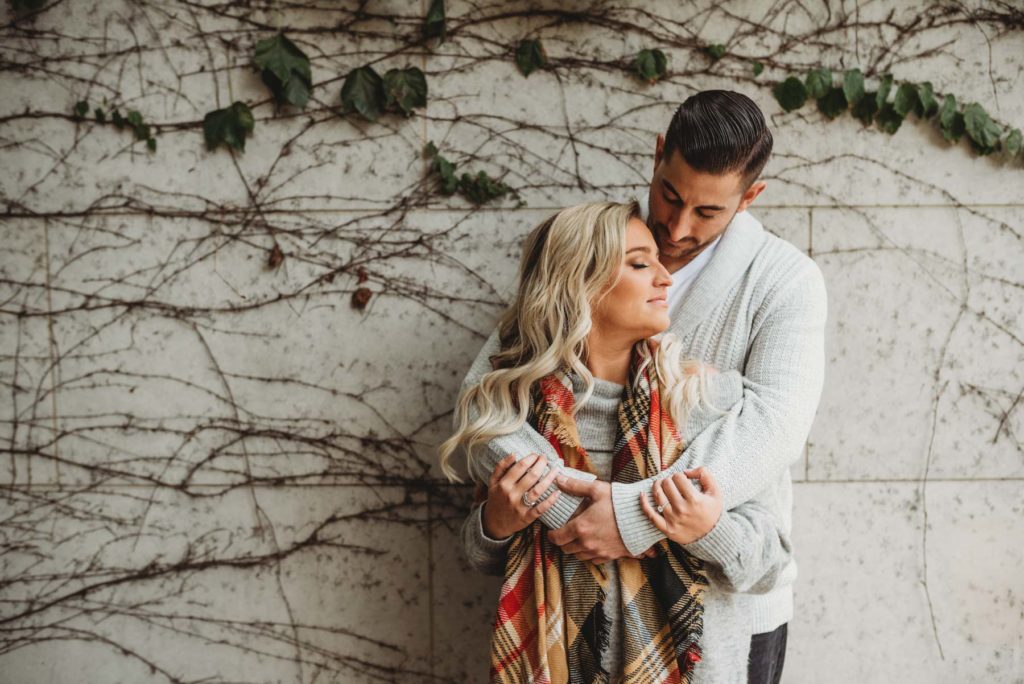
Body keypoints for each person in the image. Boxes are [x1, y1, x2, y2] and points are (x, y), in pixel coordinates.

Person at [451, 90, 827, 683]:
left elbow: (773, 429)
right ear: (657, 156)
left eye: (707, 213)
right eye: (669, 195)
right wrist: (563, 507)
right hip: (570, 623)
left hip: (717, 615)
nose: (677, 228)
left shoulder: (785, 282)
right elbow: (485, 404)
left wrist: (632, 516)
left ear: (749, 198)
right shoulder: (595, 246)